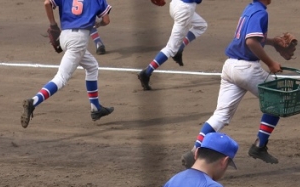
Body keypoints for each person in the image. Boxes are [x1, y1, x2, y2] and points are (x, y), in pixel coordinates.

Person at [182, 0, 283, 168]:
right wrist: (271, 63)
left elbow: (249, 37)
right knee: (277, 100)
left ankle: (194, 152)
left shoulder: (251, 8)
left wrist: (273, 42)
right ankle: (259, 146)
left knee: (221, 115)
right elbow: (251, 41)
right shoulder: (261, 12)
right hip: (246, 69)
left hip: (230, 66)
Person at [21, 0, 114, 128]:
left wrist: (53, 24)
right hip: (78, 41)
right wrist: (98, 24)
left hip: (64, 37)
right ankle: (34, 101)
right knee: (61, 78)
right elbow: (106, 20)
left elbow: (47, 3)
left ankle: (96, 108)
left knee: (92, 66)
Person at [137, 0, 207, 91]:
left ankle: (180, 48)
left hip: (175, 4)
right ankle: (146, 73)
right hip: (184, 11)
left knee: (201, 25)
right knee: (170, 49)